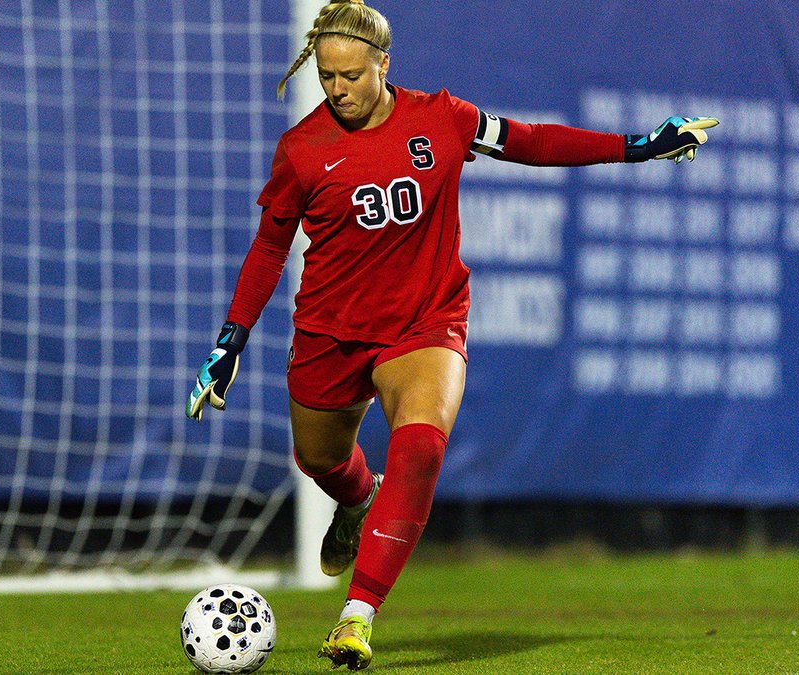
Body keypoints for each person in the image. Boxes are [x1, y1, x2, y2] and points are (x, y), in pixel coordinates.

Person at [186, 0, 718, 669]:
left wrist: (636, 145)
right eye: (326, 75)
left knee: (421, 444)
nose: (337, 89)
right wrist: (230, 341)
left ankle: (357, 616)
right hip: (331, 331)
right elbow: (268, 251)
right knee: (319, 458)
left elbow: (531, 141)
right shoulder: (302, 150)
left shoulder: (442, 117)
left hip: (424, 322)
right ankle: (356, 497)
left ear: (385, 63)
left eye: (351, 74)